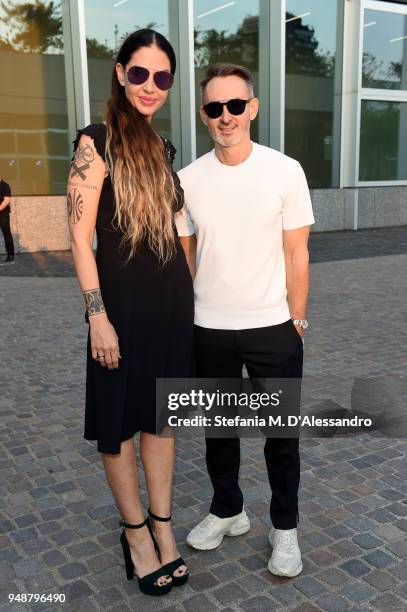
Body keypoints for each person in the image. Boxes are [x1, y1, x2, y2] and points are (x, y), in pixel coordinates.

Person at [67, 29, 193, 597]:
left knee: (160, 420)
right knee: (118, 427)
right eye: (139, 73)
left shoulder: (162, 147)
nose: (150, 86)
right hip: (119, 308)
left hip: (169, 303)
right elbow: (78, 233)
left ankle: (164, 527)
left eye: (162, 77)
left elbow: (172, 227)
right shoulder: (95, 142)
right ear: (119, 73)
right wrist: (97, 315)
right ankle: (135, 534)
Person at [176, 63, 314, 577]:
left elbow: (298, 254)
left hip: (273, 328)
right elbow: (185, 256)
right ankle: (228, 509)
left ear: (252, 109)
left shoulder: (285, 170)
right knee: (218, 431)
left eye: (236, 105)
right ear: (204, 116)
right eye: (215, 108)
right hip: (208, 328)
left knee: (282, 436)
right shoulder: (186, 180)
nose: (226, 116)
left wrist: (296, 320)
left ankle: (285, 529)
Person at [0, 177, 15, 264]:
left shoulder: (5, 185)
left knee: (7, 234)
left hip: (3, 214)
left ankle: (11, 255)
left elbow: (6, 201)